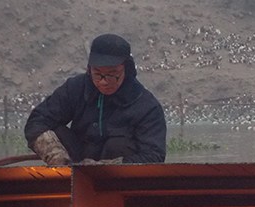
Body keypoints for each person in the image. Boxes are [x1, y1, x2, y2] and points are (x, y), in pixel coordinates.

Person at [24, 33, 167, 165]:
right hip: (75, 166)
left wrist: (102, 168)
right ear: (89, 69)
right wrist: (55, 155)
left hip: (119, 176)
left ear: (127, 69)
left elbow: (154, 156)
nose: (103, 82)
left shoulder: (147, 106)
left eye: (112, 74)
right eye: (97, 74)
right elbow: (37, 121)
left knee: (117, 145)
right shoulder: (75, 88)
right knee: (56, 131)